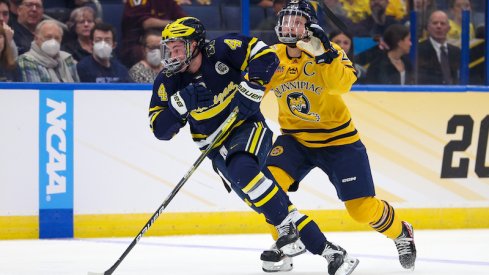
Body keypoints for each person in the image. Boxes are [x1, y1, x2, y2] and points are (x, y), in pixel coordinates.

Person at [149, 16, 358, 275]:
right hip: (214, 147)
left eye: (179, 46)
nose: (172, 53)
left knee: (243, 170)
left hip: (247, 127)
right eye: (169, 47)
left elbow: (266, 56)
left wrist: (254, 86)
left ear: (196, 45)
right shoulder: (167, 82)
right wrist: (178, 106)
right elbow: (160, 130)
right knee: (268, 202)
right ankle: (330, 252)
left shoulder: (224, 49)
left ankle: (285, 230)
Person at [258, 0, 416, 272]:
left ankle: (401, 232)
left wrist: (324, 55)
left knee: (360, 210)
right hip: (295, 140)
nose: (289, 26)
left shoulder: (332, 51)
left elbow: (341, 86)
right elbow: (254, 91)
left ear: (310, 25)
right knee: (268, 189)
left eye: (296, 21)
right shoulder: (273, 55)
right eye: (285, 20)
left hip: (339, 142)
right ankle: (285, 245)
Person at [120, 0, 187, 68]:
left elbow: (185, 20)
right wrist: (175, 24)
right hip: (138, 43)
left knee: (186, 51)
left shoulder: (169, 2)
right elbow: (147, 23)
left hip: (165, 42)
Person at [417, 10, 460, 84]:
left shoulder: (456, 52)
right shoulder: (419, 50)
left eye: (442, 23)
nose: (439, 26)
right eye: (435, 23)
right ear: (428, 27)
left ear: (448, 28)